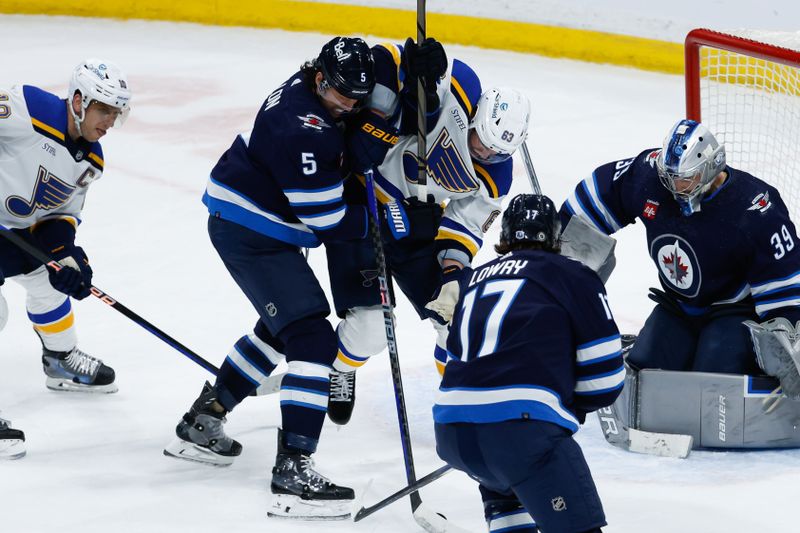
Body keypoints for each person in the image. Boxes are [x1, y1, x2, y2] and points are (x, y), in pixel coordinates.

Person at [163, 36, 403, 520]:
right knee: (311, 338)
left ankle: (205, 418)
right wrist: (381, 218)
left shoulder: (318, 88)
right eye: (342, 97)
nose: (350, 106)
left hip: (254, 219)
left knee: (279, 328)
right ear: (319, 80)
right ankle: (293, 470)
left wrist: (406, 71)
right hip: (250, 230)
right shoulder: (304, 131)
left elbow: (375, 63)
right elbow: (328, 220)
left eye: (358, 97)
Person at [324, 38, 532, 425]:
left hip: (416, 225)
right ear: (473, 120)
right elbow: (389, 60)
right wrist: (413, 72)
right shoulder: (460, 86)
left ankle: (458, 399)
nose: (486, 156)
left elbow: (464, 225)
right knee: (371, 330)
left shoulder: (495, 173)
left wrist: (453, 274)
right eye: (482, 144)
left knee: (459, 321)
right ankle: (340, 368)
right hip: (363, 202)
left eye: (498, 153)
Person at [434, 194, 624, 533]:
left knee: (508, 493)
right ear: (555, 237)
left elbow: (454, 357)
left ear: (505, 236)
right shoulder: (574, 276)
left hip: (453, 431)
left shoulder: (473, 279)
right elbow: (605, 379)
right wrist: (559, 406)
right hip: (524, 432)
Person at [559, 119, 800, 375]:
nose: (674, 186)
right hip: (677, 306)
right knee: (643, 370)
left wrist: (786, 344)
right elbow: (597, 195)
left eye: (684, 179)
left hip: (733, 310)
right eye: (669, 177)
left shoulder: (753, 207)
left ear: (710, 168)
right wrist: (553, 241)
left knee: (710, 383)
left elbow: (783, 283)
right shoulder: (650, 177)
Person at [0, 59, 131, 456]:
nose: (109, 121)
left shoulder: (91, 161)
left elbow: (59, 215)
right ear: (78, 100)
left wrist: (66, 256)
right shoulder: (28, 108)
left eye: (116, 113)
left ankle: (59, 359)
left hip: (13, 230)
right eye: (104, 109)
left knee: (50, 279)